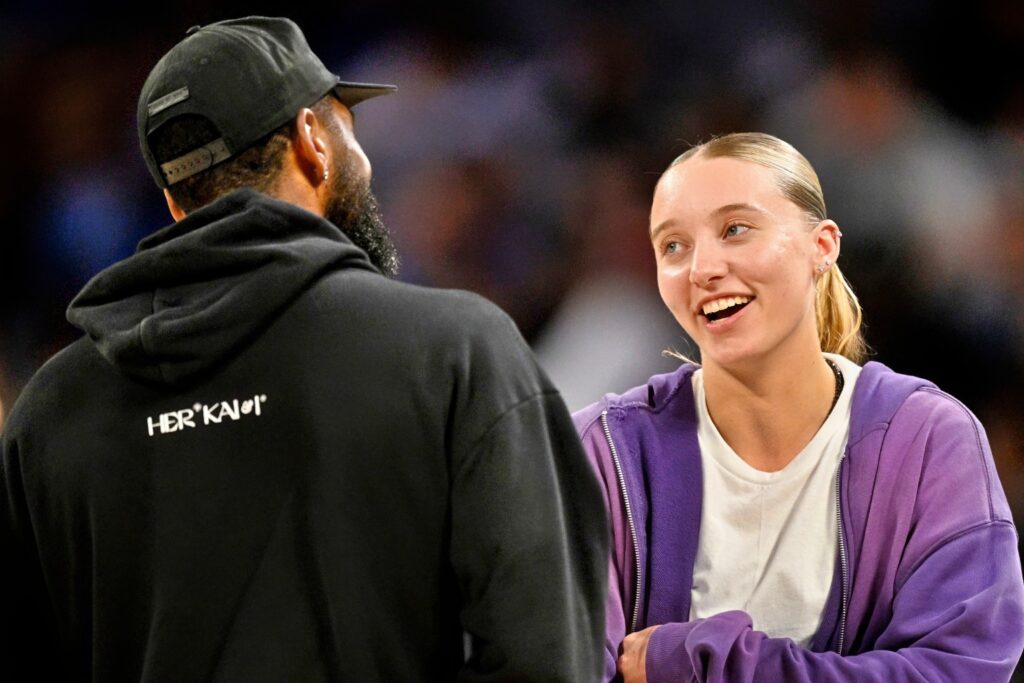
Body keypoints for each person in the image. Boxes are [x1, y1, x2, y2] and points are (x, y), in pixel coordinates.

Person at [0, 17, 608, 681]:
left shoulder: (50, 415)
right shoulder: (456, 352)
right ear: (314, 141)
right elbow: (547, 655)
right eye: (351, 128)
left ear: (177, 202)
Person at [573, 132, 1024, 682]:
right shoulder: (604, 452)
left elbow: (958, 672)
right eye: (674, 246)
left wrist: (703, 662)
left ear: (823, 247)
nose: (702, 268)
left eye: (735, 229)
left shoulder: (929, 440)